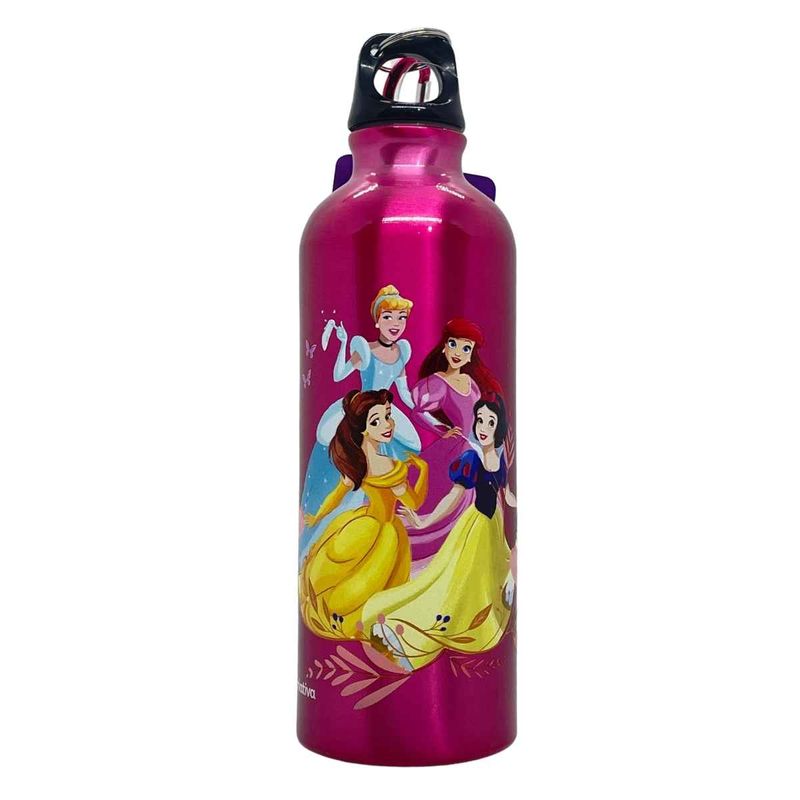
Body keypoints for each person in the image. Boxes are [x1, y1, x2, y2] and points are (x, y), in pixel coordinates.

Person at [363, 396, 516, 669]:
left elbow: (506, 494)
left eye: (490, 422)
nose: (482, 427)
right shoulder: (471, 458)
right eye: (479, 420)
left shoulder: (499, 460)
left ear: (499, 428)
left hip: (494, 527)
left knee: (484, 582)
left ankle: (475, 622)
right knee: (456, 583)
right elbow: (452, 497)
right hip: (475, 529)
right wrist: (424, 522)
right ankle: (414, 635)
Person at [300, 389, 428, 640]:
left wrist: (317, 517)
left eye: (388, 416)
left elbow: (336, 496)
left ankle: (348, 620)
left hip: (362, 523)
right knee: (374, 583)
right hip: (384, 531)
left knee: (353, 579)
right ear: (364, 430)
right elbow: (414, 502)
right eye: (376, 421)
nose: (387, 425)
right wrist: (423, 471)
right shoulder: (389, 466)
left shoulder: (357, 463)